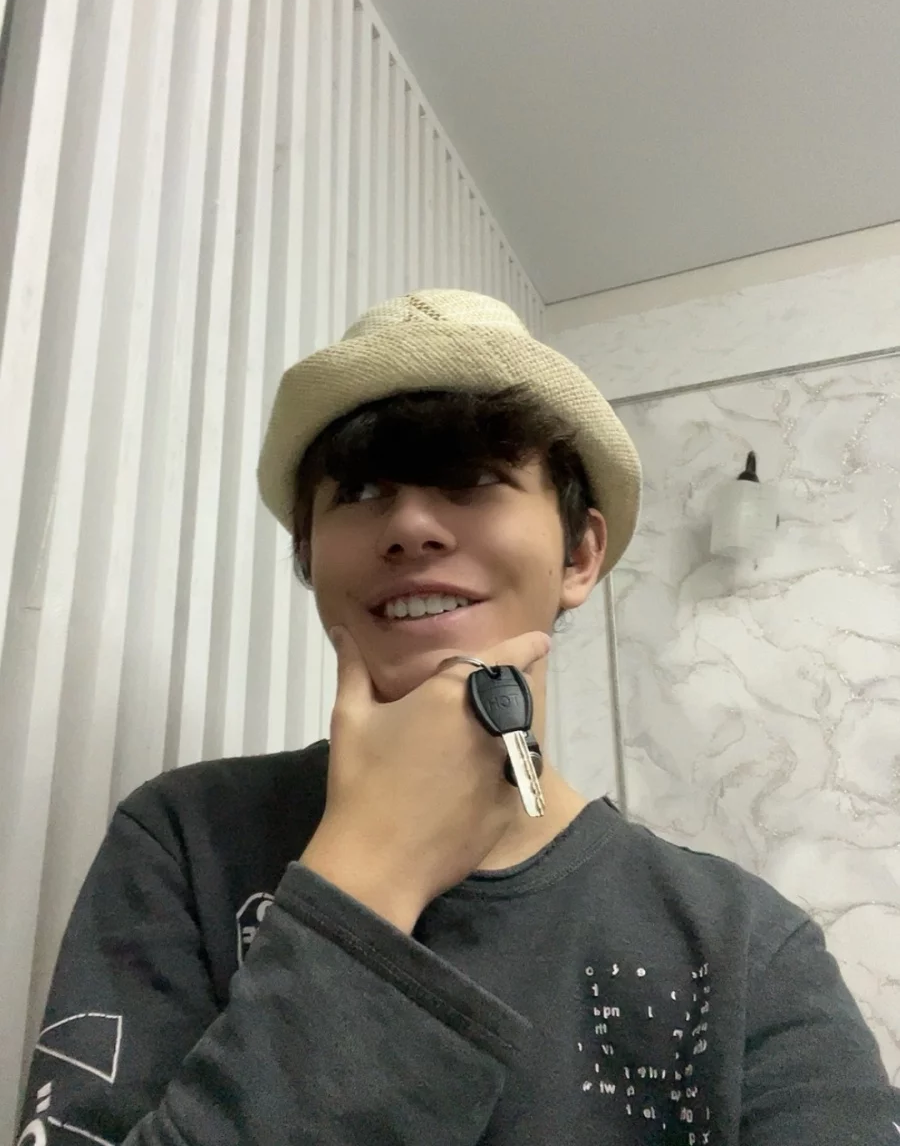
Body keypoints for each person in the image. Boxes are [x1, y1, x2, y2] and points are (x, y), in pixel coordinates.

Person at [18, 290, 899, 1145]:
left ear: (580, 554)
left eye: (474, 480)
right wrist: (370, 881)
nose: (409, 526)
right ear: (309, 556)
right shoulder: (187, 840)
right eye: (359, 489)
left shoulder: (746, 947)